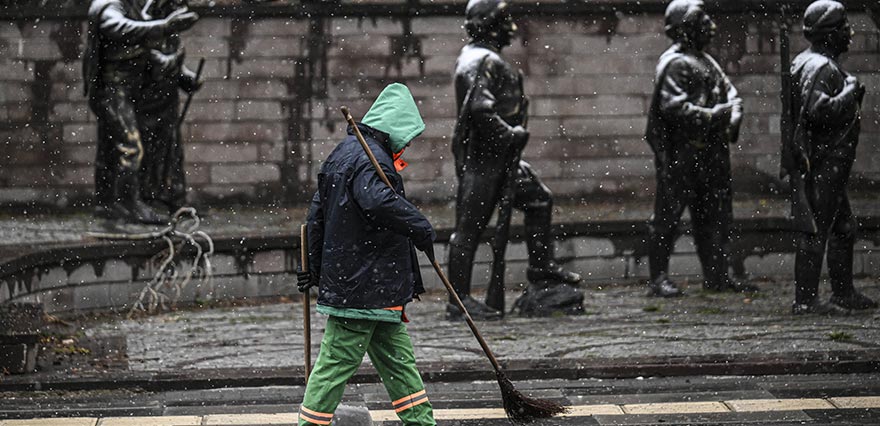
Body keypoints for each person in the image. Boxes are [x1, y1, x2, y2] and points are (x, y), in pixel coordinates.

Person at [296, 83, 436, 426]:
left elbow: (316, 216)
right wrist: (419, 226)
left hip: (368, 286)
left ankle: (422, 422)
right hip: (366, 286)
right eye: (408, 136)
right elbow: (377, 202)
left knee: (398, 362)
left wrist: (314, 268)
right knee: (335, 364)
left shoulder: (342, 154)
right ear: (397, 127)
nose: (408, 145)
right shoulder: (372, 160)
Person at [449, 0, 581, 320]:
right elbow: (482, 111)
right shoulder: (479, 60)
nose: (511, 27)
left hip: (504, 160)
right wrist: (512, 134)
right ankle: (458, 300)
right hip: (484, 162)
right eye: (504, 20)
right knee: (469, 229)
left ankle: (540, 268)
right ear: (490, 24)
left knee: (539, 201)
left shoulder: (487, 58)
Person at [644, 0, 757, 297]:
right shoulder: (676, 64)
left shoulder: (707, 60)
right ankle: (658, 279)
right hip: (682, 155)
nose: (710, 24)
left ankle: (717, 276)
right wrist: (713, 115)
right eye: (701, 18)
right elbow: (673, 107)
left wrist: (731, 115)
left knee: (714, 217)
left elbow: (731, 94)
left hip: (710, 154)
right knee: (667, 217)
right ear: (683, 28)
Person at [783, 0, 877, 315]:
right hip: (821, 163)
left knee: (843, 228)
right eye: (844, 28)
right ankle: (806, 301)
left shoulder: (812, 62)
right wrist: (851, 90)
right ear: (830, 33)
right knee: (815, 231)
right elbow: (817, 111)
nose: (850, 33)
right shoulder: (820, 67)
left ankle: (843, 292)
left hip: (828, 166)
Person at [84, 0, 197, 224]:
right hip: (111, 89)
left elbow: (149, 54)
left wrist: (179, 70)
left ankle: (109, 204)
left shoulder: (137, 10)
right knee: (130, 147)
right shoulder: (110, 5)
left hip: (130, 92)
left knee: (112, 150)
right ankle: (127, 205)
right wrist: (164, 26)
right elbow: (119, 28)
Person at [138, 0, 202, 213]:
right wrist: (175, 62)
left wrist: (188, 80)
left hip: (168, 104)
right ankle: (149, 199)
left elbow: (177, 68)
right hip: (147, 105)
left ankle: (174, 199)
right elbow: (157, 64)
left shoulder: (172, 36)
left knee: (172, 154)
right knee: (148, 155)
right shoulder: (146, 31)